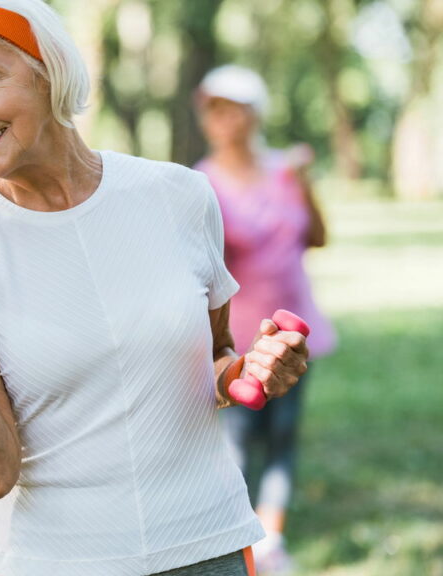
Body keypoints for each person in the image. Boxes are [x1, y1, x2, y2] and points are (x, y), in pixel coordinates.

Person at [0, 1, 311, 575]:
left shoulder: (180, 196)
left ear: (49, 71)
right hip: (56, 562)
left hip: (207, 546)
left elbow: (213, 360)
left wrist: (252, 370)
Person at [194, 65, 336, 575]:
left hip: (297, 331)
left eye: (231, 106)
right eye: (212, 108)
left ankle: (269, 540)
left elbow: (316, 237)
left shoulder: (285, 169)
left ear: (255, 113)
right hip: (237, 340)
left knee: (282, 437)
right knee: (234, 445)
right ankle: (240, 544)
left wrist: (305, 184)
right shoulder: (199, 183)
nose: (221, 118)